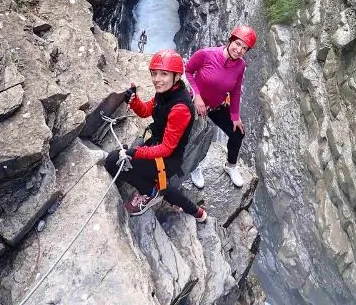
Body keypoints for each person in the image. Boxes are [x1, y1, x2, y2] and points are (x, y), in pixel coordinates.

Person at [105, 49, 207, 220]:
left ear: (176, 76)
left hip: (168, 158)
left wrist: (135, 152)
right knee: (160, 184)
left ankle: (150, 192)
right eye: (154, 73)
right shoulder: (166, 93)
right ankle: (197, 212)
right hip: (156, 146)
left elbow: (166, 149)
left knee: (115, 162)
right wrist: (134, 101)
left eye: (163, 74)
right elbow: (146, 111)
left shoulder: (180, 107)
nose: (157, 80)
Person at [185, 25, 256, 189]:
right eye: (237, 44)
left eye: (244, 48)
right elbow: (188, 71)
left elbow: (236, 91)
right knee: (196, 136)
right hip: (197, 104)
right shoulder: (206, 54)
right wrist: (196, 95)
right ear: (230, 40)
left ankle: (230, 166)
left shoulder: (240, 66)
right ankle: (195, 166)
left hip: (217, 106)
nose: (239, 50)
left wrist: (235, 116)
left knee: (238, 133)